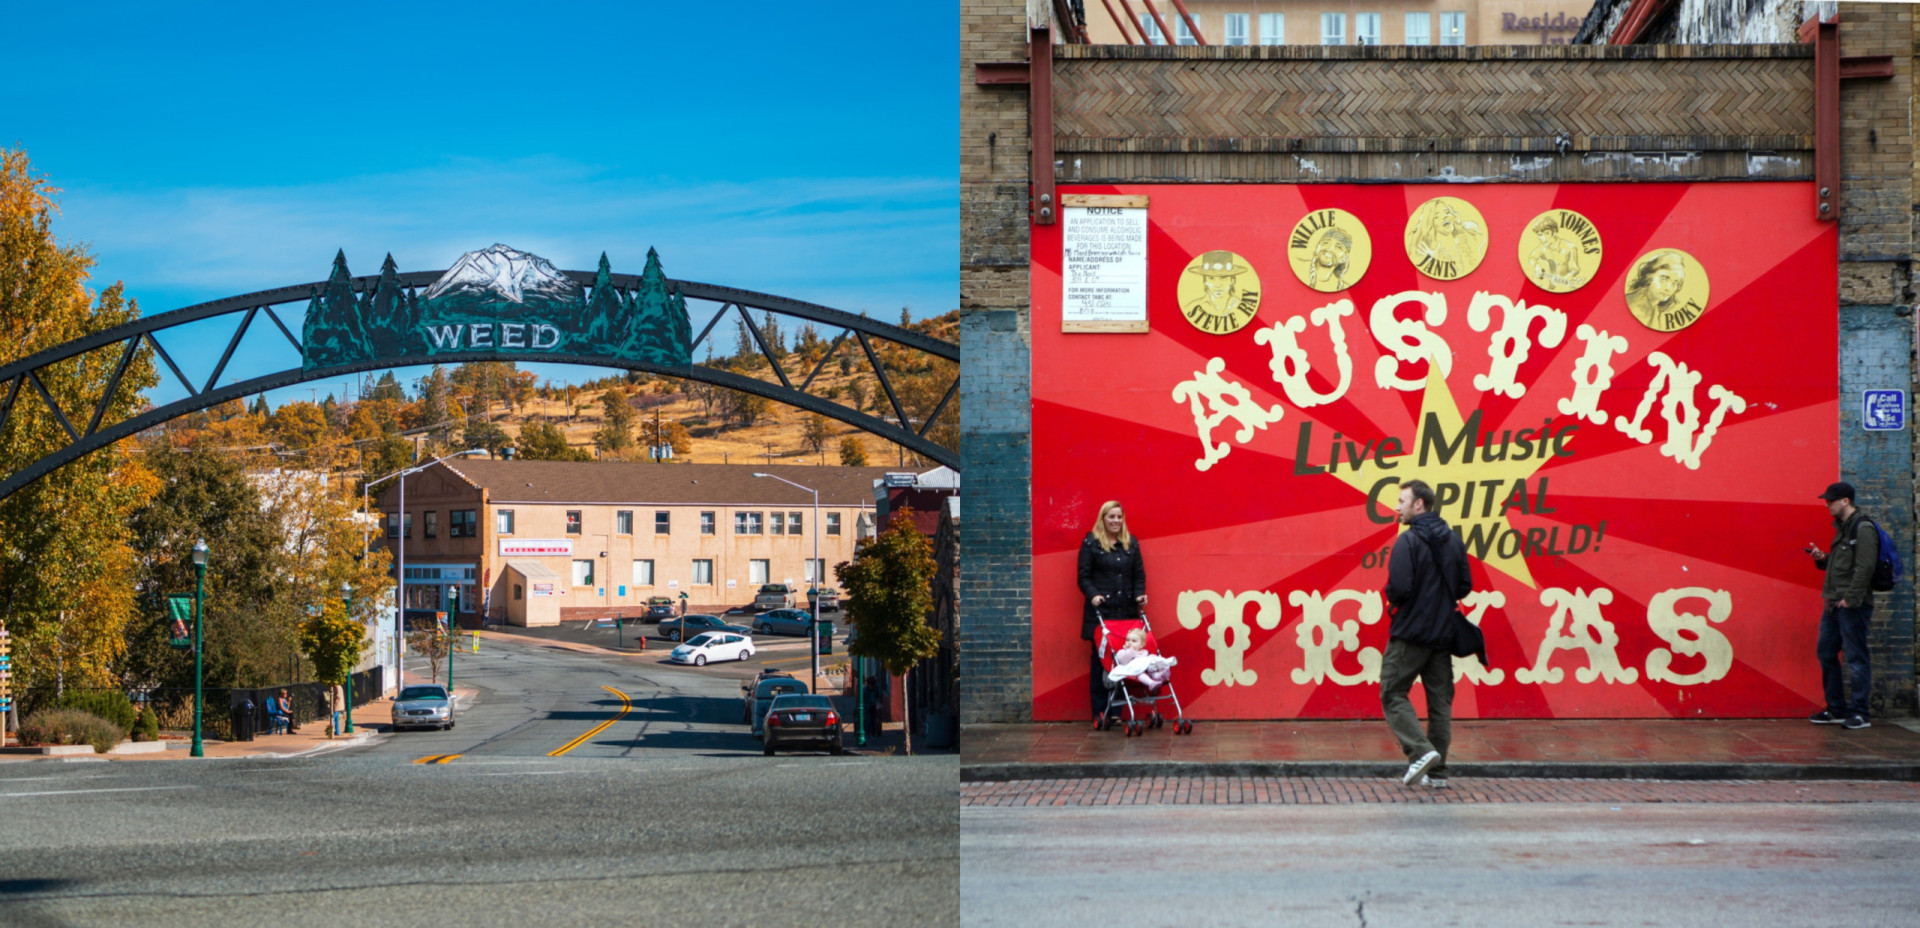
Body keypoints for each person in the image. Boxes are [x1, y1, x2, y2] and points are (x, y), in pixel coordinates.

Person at [1381, 479, 1471, 789]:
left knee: (1392, 692)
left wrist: (1397, 599)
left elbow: (1399, 588)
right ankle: (1438, 774)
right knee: (1440, 703)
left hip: (1410, 633)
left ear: (1419, 504)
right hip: (1443, 633)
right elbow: (1464, 586)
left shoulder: (1407, 541)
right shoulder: (1453, 540)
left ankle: (1420, 752)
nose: (1397, 507)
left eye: (1401, 501)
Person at [1805, 481, 1878, 730]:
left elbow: (1865, 567)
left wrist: (1852, 598)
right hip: (1834, 602)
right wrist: (1823, 559)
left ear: (1845, 500)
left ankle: (1860, 713)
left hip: (1852, 604)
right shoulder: (1842, 529)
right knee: (1826, 652)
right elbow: (1842, 566)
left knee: (1856, 657)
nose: (1827, 505)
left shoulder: (1863, 528)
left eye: (1831, 501)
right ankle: (1837, 708)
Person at [1078, 500, 1146, 719]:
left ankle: (1115, 711)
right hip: (1102, 613)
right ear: (1103, 519)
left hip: (1126, 613)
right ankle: (1100, 711)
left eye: (1119, 517)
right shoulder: (1091, 543)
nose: (1116, 521)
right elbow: (1083, 577)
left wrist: (1139, 594)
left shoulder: (1130, 543)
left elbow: (1139, 575)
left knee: (1123, 660)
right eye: (1111, 517)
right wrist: (1094, 594)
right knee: (1101, 662)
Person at [1625, 252, 1687, 327]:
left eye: (1674, 283)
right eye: (1664, 279)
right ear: (1649, 277)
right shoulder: (1636, 305)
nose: (1668, 288)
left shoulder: (1656, 307)